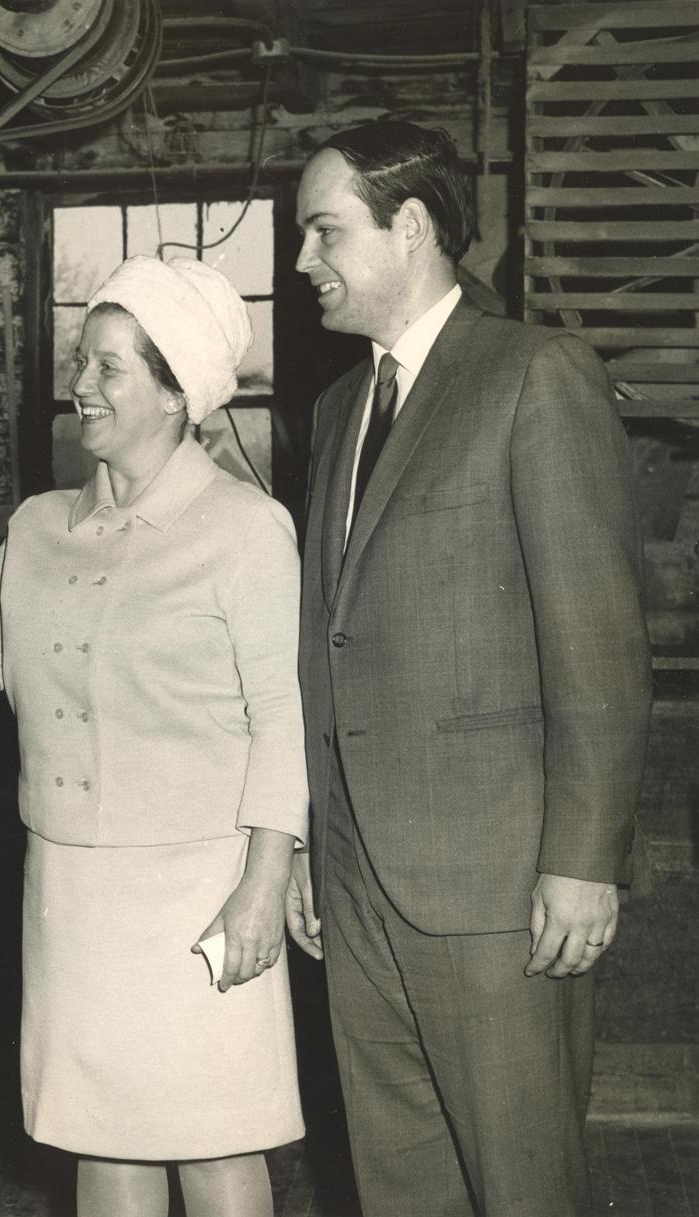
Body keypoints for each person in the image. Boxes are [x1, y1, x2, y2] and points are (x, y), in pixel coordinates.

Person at [0, 256, 307, 1217]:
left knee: (215, 1141)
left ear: (177, 394)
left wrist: (264, 883)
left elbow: (278, 716)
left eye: (111, 369)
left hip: (199, 886)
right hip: (74, 890)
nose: (81, 386)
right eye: (83, 361)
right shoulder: (40, 526)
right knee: (101, 1136)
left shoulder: (247, 529)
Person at [286, 121, 651, 1216]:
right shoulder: (338, 409)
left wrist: (584, 858)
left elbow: (596, 638)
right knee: (399, 1187)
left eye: (324, 231)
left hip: (498, 889)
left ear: (411, 226)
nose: (304, 260)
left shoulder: (535, 374)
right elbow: (327, 639)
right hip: (356, 885)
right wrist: (310, 838)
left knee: (523, 1184)